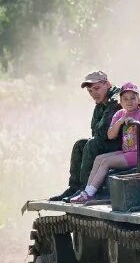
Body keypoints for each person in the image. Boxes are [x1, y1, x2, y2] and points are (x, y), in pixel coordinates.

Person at [69, 82, 140, 203]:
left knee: (106, 162)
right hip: (128, 152)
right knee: (99, 158)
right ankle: (88, 190)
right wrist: (120, 122)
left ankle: (89, 193)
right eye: (125, 99)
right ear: (120, 101)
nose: (129, 101)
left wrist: (137, 125)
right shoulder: (119, 114)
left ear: (139, 99)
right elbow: (110, 135)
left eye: (133, 98)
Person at [50, 71, 121, 201]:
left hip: (124, 144)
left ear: (107, 84)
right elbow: (95, 131)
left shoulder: (115, 100)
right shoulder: (100, 105)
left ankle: (85, 189)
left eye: (97, 88)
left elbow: (104, 130)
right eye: (90, 91)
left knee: (92, 144)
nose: (94, 93)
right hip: (110, 142)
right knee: (80, 144)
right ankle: (74, 187)